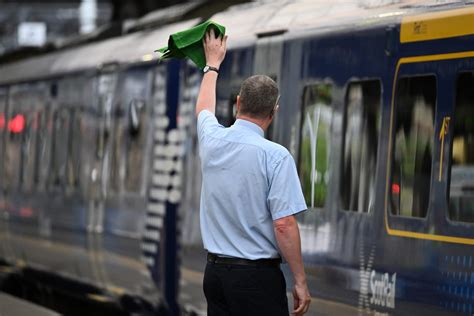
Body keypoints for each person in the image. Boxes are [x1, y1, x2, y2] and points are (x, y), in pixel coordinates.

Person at [195, 28, 311, 316]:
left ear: (237, 104)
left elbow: (204, 108)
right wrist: (300, 280)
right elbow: (283, 224)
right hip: (256, 278)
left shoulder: (211, 139)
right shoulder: (276, 157)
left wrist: (213, 64)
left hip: (215, 275)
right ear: (274, 112)